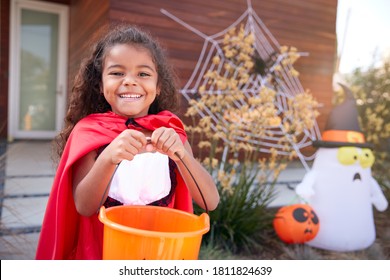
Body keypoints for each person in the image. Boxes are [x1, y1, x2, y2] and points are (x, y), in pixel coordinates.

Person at [35, 24, 219, 260]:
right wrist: (109, 158)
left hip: (160, 255)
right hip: (101, 254)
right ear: (100, 85)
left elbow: (209, 201)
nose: (130, 81)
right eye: (117, 73)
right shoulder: (88, 132)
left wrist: (181, 155)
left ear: (158, 86)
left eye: (143, 74)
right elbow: (84, 206)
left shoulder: (171, 132)